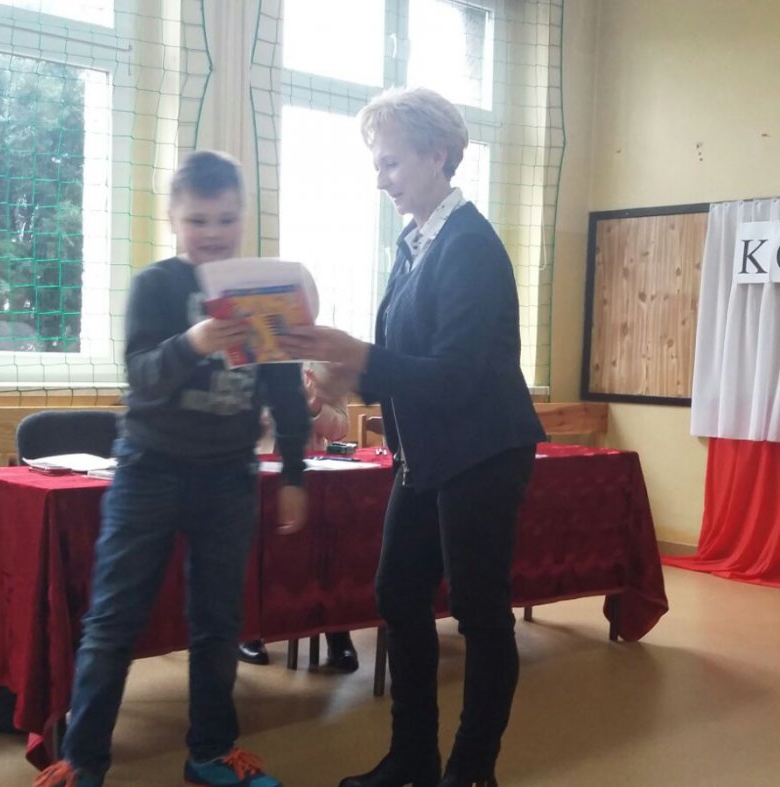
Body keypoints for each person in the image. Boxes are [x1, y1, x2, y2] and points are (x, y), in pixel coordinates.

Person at [278, 87, 546, 787]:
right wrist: (340, 380)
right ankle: (413, 758)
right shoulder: (417, 242)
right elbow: (408, 358)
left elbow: (456, 374)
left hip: (483, 451)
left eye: (391, 163)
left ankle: (471, 770)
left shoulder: (470, 246)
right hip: (427, 455)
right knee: (398, 594)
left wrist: (358, 356)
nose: (381, 179)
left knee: (480, 612)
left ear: (438, 155)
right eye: (377, 164)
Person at [35, 151, 308, 787]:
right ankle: (83, 760)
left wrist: (294, 473)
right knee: (114, 618)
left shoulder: (261, 291)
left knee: (218, 624)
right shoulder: (155, 286)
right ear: (173, 219)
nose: (212, 232)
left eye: (226, 219)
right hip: (149, 471)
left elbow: (285, 390)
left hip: (229, 478)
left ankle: (210, 753)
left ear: (243, 217)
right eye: (197, 220)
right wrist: (193, 342)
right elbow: (141, 377)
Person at [240, 363, 361, 672]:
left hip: (313, 470)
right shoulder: (256, 350)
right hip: (259, 465)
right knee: (257, 548)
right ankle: (249, 631)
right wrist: (284, 408)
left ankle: (337, 634)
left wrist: (316, 407)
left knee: (325, 548)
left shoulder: (326, 361)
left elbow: (340, 428)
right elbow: (239, 414)